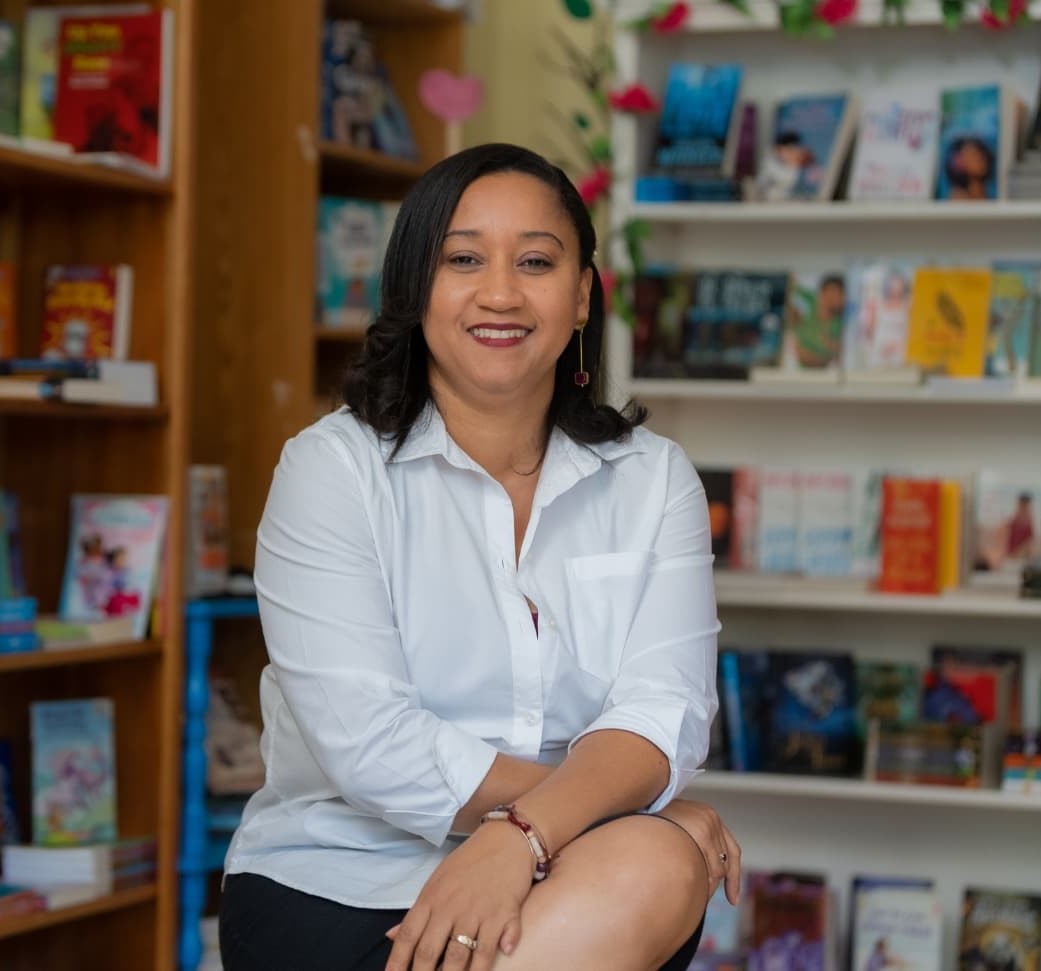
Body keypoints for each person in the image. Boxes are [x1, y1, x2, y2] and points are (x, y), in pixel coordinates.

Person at [218, 143, 739, 971]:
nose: (500, 291)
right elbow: (371, 741)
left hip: (568, 875)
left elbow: (662, 716)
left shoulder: (654, 479)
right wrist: (593, 808)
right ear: (415, 287)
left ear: (579, 297)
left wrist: (525, 840)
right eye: (463, 258)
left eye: (535, 260)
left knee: (660, 863)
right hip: (343, 884)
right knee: (656, 842)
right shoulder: (332, 469)